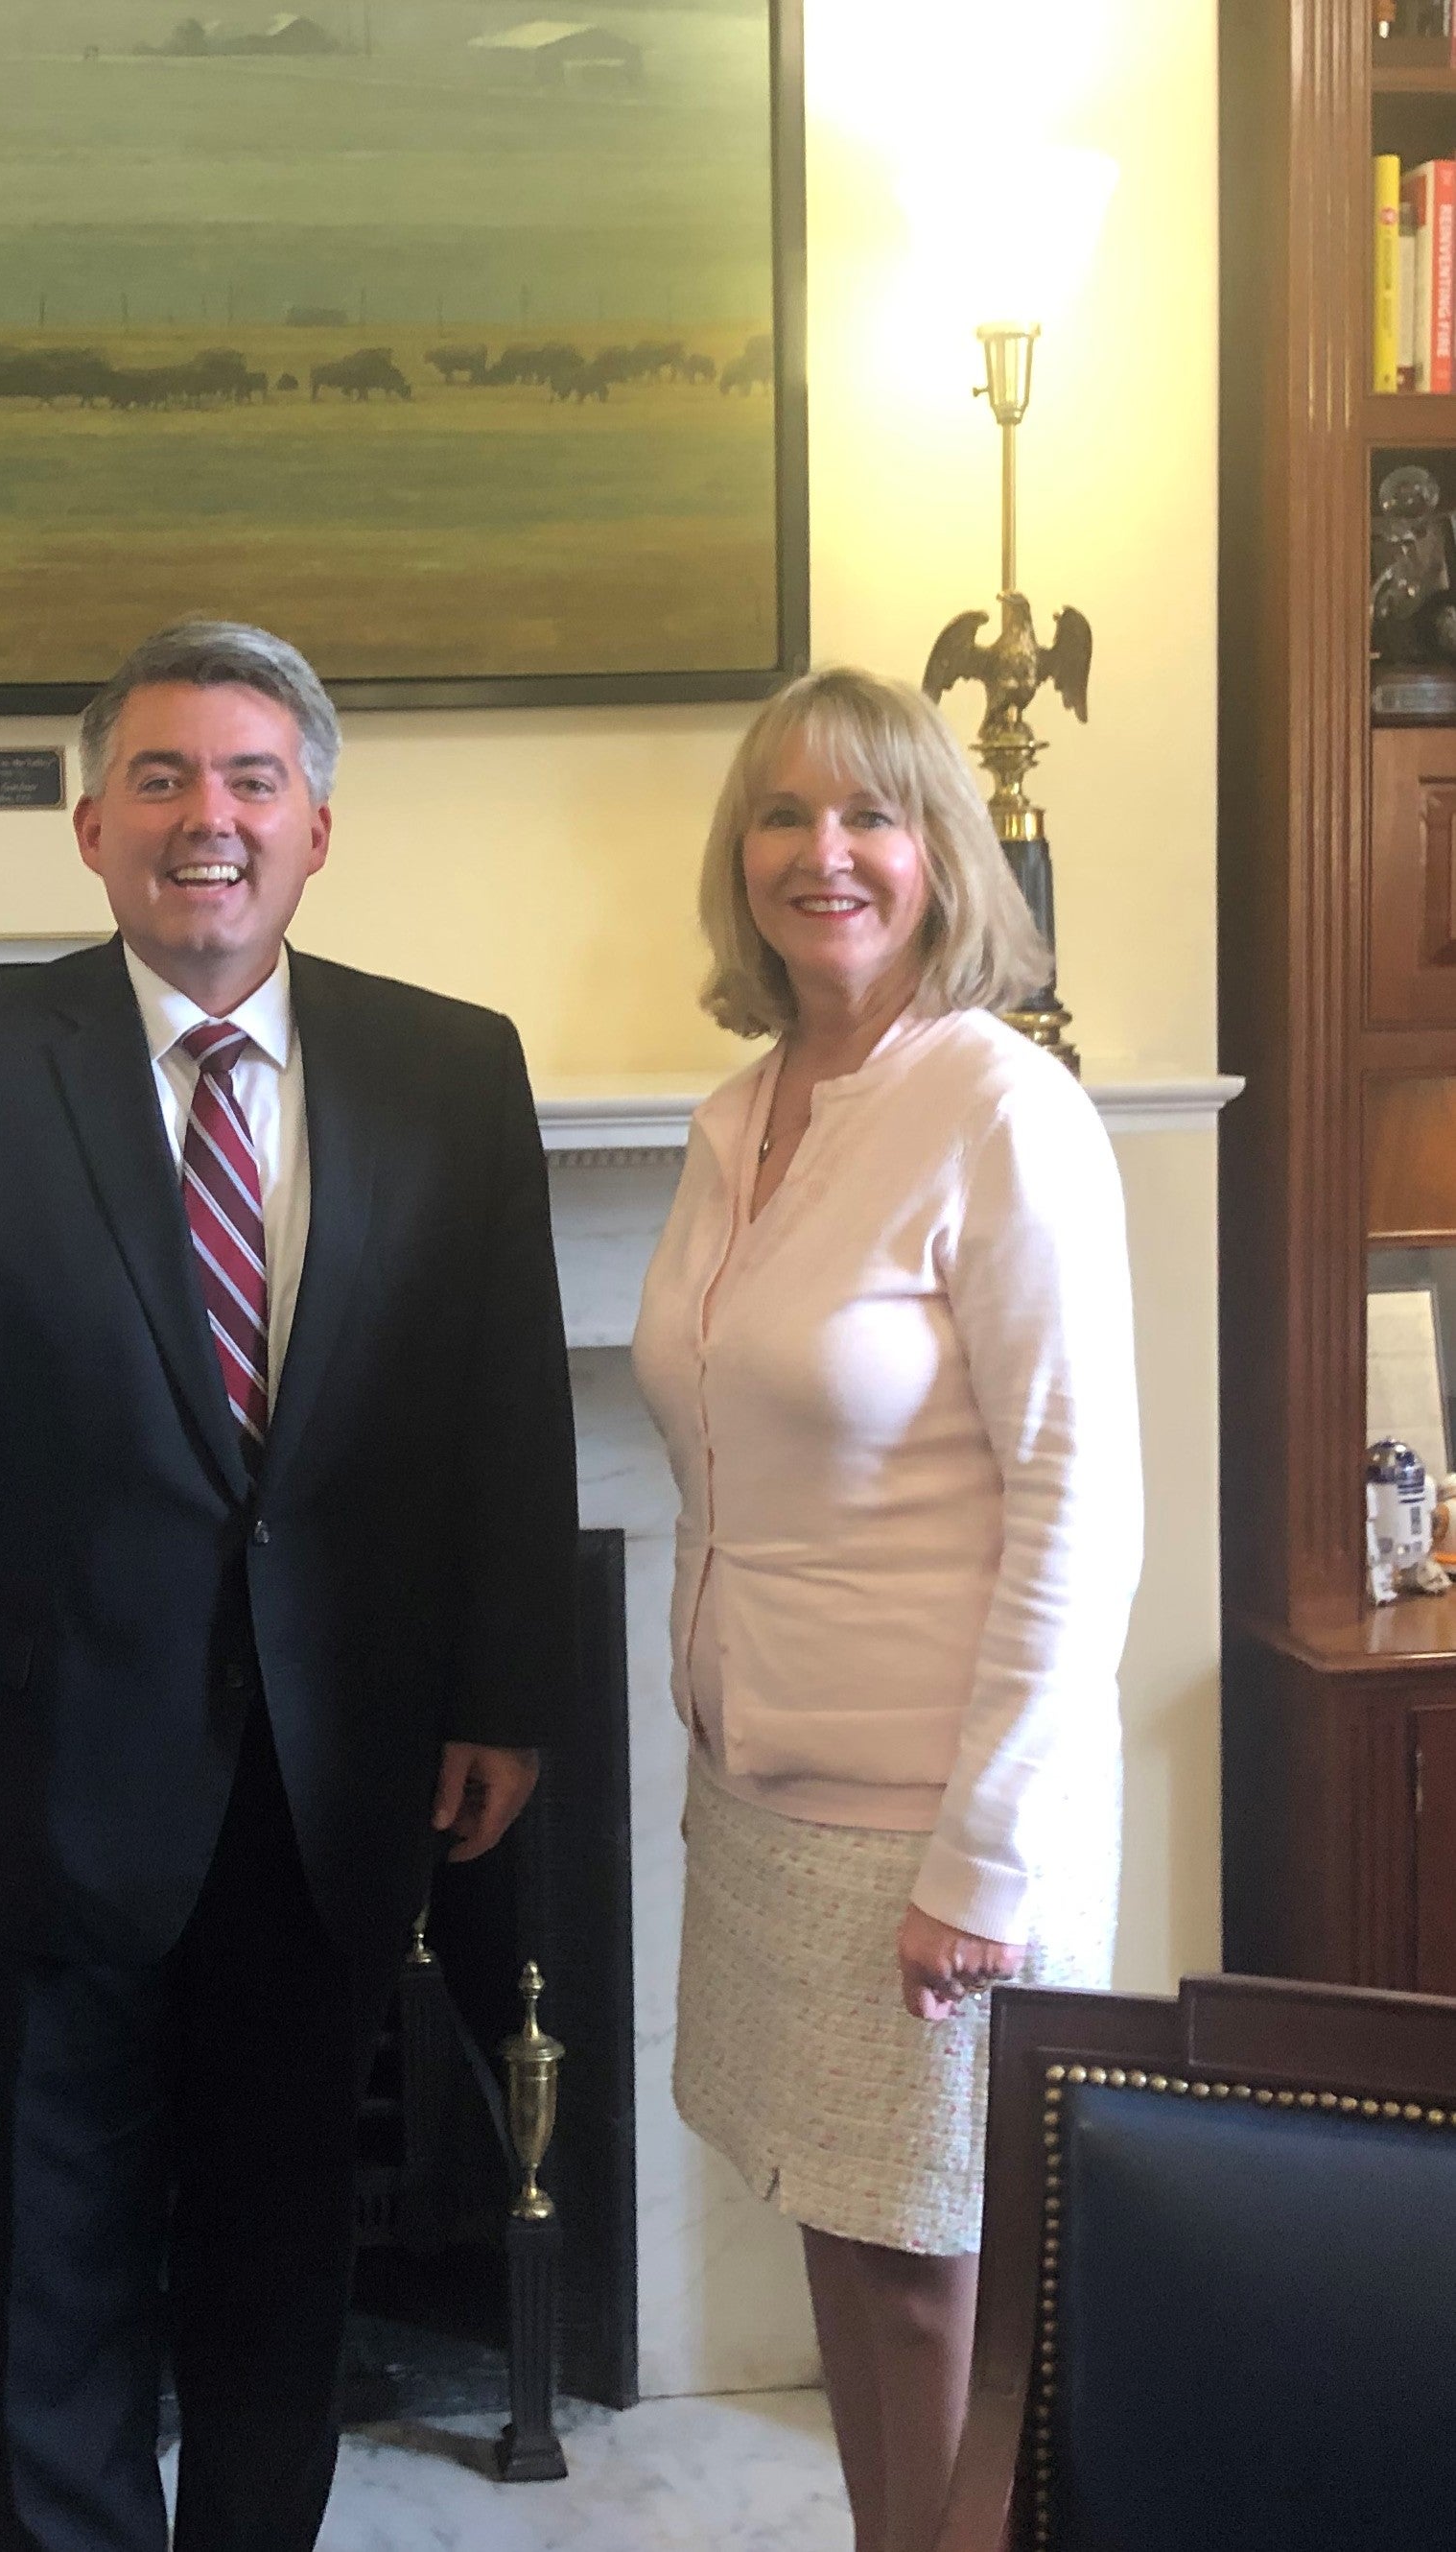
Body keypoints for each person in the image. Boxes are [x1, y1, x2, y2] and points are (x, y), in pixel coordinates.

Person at [0, 619, 578, 2552]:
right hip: (32, 1796)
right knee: (51, 2283)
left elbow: (503, 1405)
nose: (205, 819)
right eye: (160, 778)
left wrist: (502, 1692)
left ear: (317, 825)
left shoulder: (450, 1067)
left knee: (277, 2271)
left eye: (249, 781)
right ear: (87, 827)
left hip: (336, 1788)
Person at [631, 666, 1141, 2552]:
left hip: (934, 1827)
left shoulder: (1000, 1105)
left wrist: (985, 1858)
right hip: (770, 1805)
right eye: (782, 814)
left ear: (938, 857)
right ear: (737, 858)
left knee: (941, 2287)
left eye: (870, 815)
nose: (820, 853)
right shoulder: (740, 1112)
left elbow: (1081, 1503)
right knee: (849, 2253)